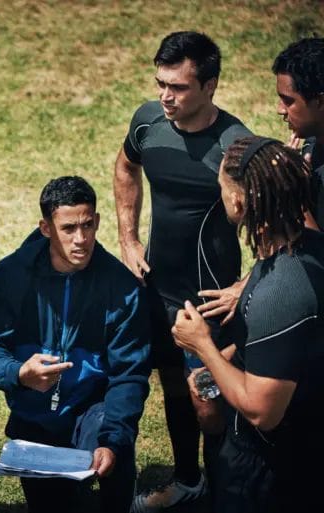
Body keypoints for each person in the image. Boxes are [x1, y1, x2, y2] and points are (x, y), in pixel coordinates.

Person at [113, 31, 252, 511]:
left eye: (178, 87)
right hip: (158, 290)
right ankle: (189, 480)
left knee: (209, 405)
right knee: (172, 384)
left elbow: (287, 229)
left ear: (210, 86)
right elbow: (125, 168)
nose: (165, 96)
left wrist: (244, 286)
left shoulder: (235, 147)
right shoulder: (148, 122)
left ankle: (226, 494)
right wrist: (128, 238)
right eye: (161, 84)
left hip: (209, 302)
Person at [0, 176, 151, 513]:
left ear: (97, 221)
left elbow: (129, 373)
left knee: (117, 456)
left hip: (93, 407)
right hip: (33, 415)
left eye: (87, 225)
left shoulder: (121, 286)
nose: (81, 239)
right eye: (68, 228)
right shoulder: (11, 276)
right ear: (46, 228)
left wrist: (112, 440)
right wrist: (18, 373)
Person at [172, 136, 324, 513]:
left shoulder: (281, 292)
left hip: (269, 471)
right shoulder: (300, 244)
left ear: (239, 201)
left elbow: (262, 411)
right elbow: (275, 349)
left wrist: (202, 345)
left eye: (222, 187)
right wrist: (219, 363)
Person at [272, 37, 324, 228]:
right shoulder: (312, 140)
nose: (280, 110)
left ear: (320, 102)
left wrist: (292, 191)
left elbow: (317, 247)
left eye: (288, 101)